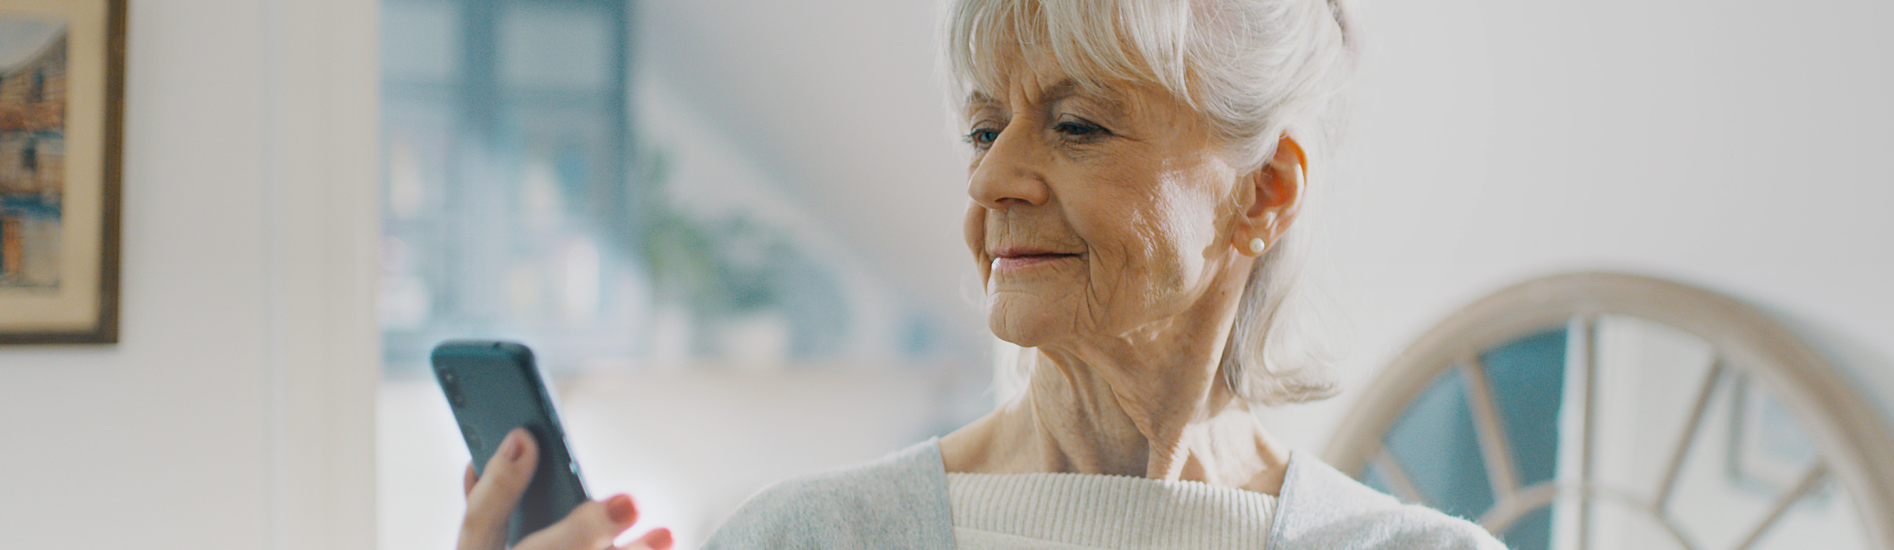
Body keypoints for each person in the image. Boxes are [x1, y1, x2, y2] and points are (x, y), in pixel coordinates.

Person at [455, 0, 1508, 548]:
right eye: (982, 126)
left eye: (1077, 124)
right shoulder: (805, 541)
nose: (994, 175)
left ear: (1265, 191)